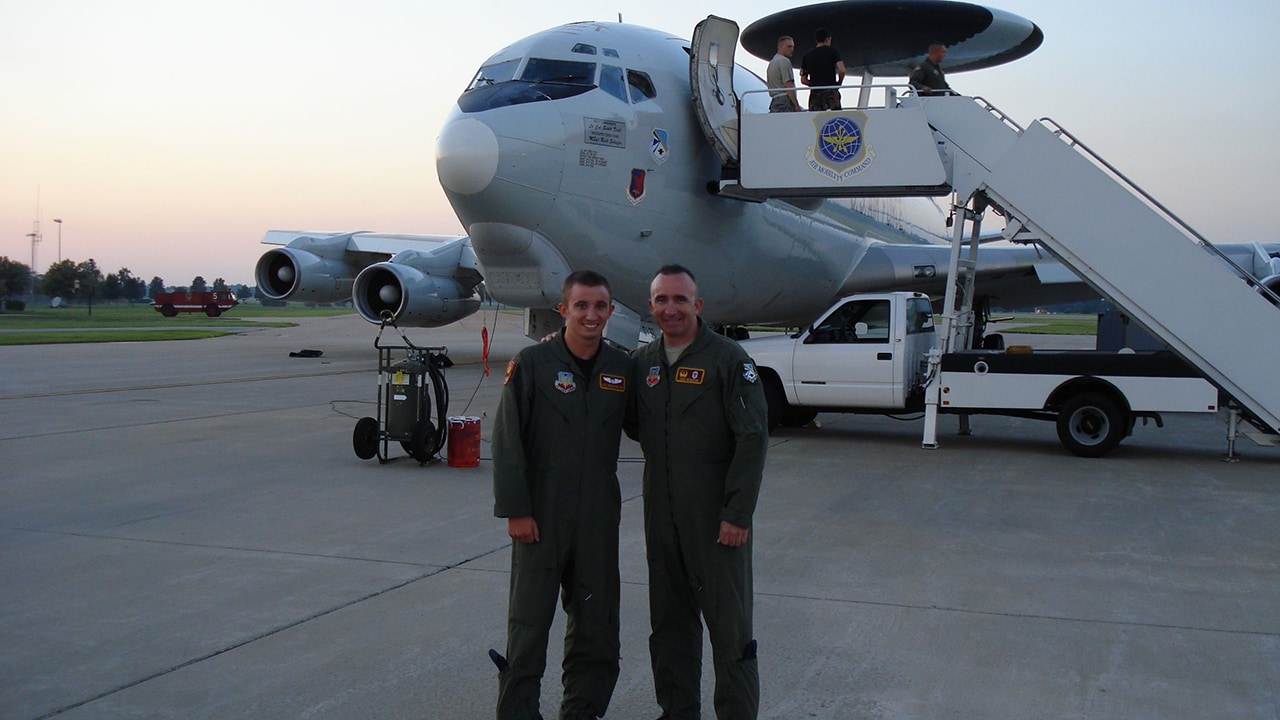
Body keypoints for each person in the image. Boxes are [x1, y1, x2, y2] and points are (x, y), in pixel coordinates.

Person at [627, 265, 769, 720]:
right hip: (661, 518)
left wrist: (737, 514)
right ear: (651, 306)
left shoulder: (729, 361)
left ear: (697, 305)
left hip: (716, 521)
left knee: (730, 632)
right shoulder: (643, 363)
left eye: (680, 300)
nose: (671, 309)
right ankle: (677, 711)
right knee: (668, 627)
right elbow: (629, 418)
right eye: (662, 300)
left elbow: (752, 439)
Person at [491, 270, 632, 720]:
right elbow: (507, 440)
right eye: (581, 306)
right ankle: (517, 712)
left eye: (600, 307)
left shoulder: (620, 368)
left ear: (611, 311)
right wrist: (516, 510)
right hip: (540, 516)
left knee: (597, 623)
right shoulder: (532, 365)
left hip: (597, 516)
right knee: (529, 622)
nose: (591, 315)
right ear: (563, 309)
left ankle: (582, 710)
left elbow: (653, 425)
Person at [799, 28, 846, 111]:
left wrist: (814, 84)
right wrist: (838, 84)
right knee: (834, 119)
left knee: (816, 121)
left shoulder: (807, 55)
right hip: (831, 92)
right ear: (827, 39)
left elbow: (803, 80)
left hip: (815, 94)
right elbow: (842, 70)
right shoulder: (832, 51)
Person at [766, 35, 801, 113]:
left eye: (792, 47)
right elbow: (788, 84)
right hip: (785, 101)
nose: (792, 49)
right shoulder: (784, 61)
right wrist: (796, 105)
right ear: (780, 47)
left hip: (775, 101)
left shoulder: (772, 62)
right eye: (789, 46)